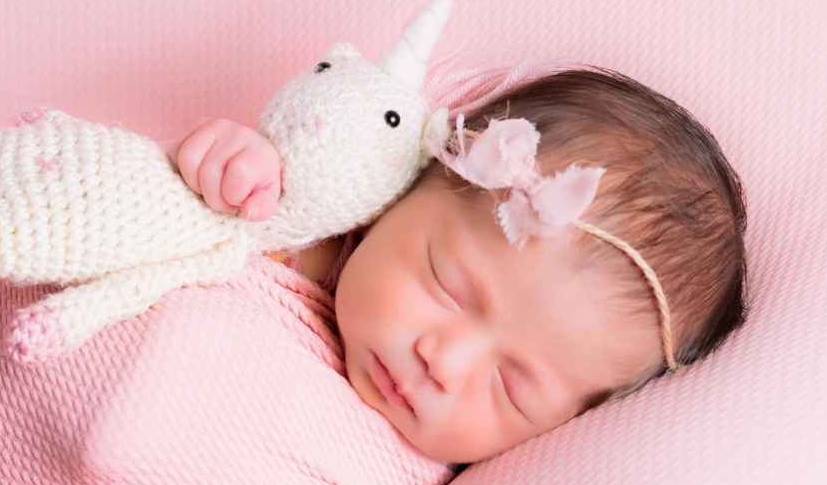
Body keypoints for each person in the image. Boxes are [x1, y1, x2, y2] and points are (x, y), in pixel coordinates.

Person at [169, 63, 749, 464]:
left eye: (511, 387)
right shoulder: (295, 235)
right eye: (447, 287)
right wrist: (222, 176)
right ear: (410, 189)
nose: (441, 362)